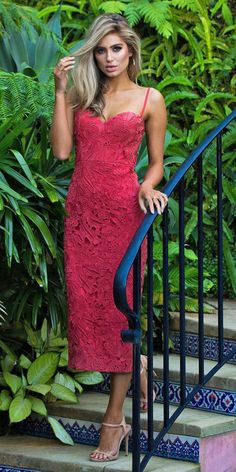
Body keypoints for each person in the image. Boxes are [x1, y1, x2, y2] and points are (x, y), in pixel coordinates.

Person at [50, 12, 168, 463]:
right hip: (81, 215)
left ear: (130, 50)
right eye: (100, 50)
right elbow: (62, 152)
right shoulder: (83, 96)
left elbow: (156, 161)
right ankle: (135, 364)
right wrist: (60, 91)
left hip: (124, 212)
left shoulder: (149, 99)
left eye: (116, 48)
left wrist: (147, 184)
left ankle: (114, 421)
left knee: (121, 307)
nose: (108, 57)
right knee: (88, 309)